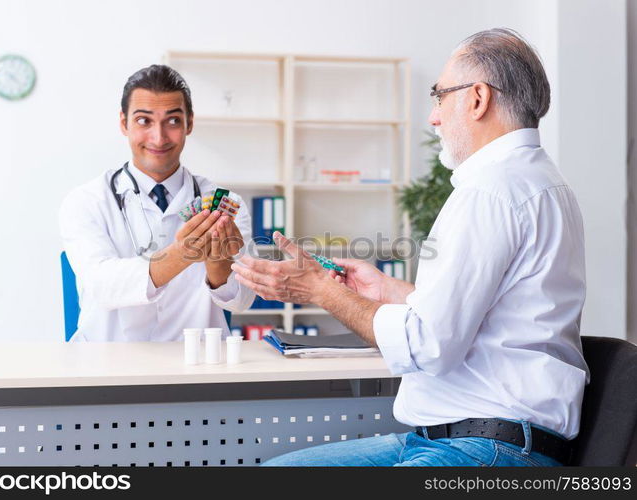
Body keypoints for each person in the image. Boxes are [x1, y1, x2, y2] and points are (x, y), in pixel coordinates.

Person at [232, 28, 588, 466]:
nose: (434, 117)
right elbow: (485, 312)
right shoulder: (541, 182)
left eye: (439, 96)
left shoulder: (491, 191)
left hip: (487, 447)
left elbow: (429, 346)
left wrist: (321, 291)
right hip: (462, 437)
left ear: (477, 99)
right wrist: (386, 291)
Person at [59, 65, 254, 342]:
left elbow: (241, 301)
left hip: (198, 366)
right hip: (109, 367)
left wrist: (218, 261)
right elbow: (101, 285)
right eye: (144, 121)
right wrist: (181, 254)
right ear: (124, 123)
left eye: (173, 121)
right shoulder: (86, 201)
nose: (159, 137)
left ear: (190, 123)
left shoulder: (226, 204)